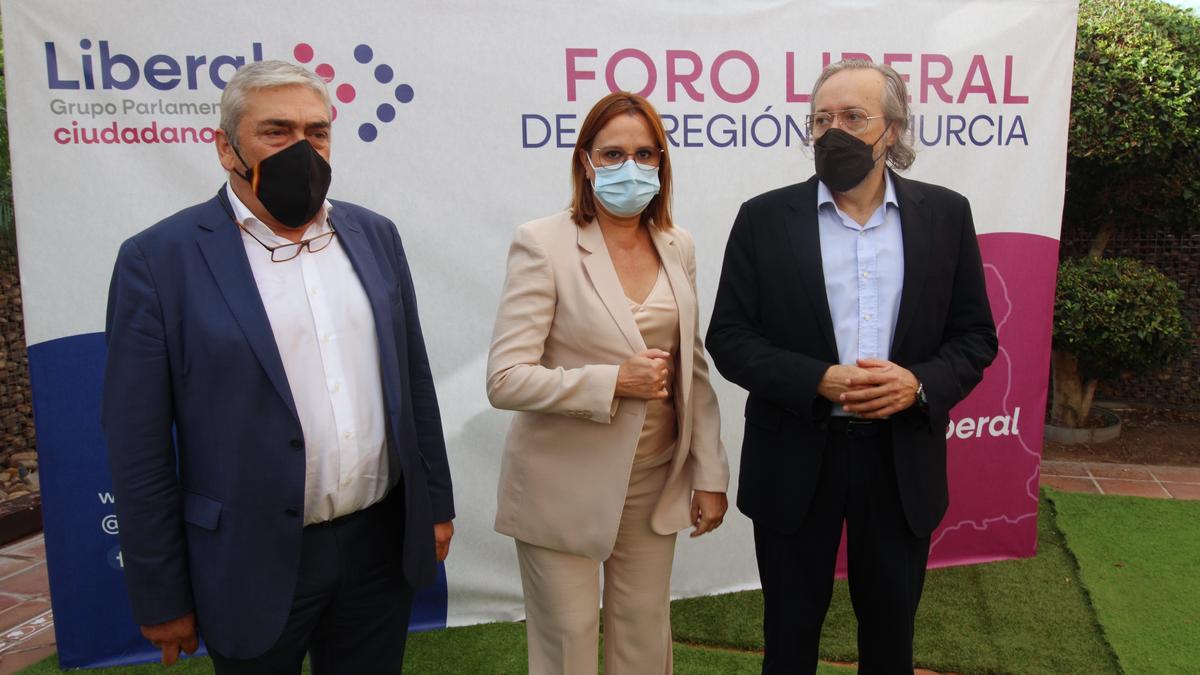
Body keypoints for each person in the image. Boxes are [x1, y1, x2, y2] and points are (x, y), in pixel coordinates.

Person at [101, 60, 455, 674]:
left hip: (378, 544)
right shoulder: (159, 261)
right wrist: (161, 593)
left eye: (316, 132)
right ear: (224, 146)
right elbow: (139, 448)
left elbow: (413, 380)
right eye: (276, 131)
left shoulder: (374, 235)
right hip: (251, 559)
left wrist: (436, 506)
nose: (303, 148)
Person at [706, 60, 998, 673]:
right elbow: (729, 338)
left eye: (852, 116)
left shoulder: (945, 216)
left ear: (891, 130)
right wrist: (817, 379)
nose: (832, 130)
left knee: (891, 637)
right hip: (794, 458)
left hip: (899, 463)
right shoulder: (764, 218)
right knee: (788, 635)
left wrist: (917, 384)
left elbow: (974, 337)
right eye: (820, 118)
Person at [486, 91, 729, 675]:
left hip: (653, 482)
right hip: (561, 484)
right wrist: (612, 382)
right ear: (586, 161)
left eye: (646, 154)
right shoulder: (542, 243)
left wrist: (710, 472)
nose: (631, 167)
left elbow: (691, 366)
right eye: (614, 153)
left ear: (662, 163)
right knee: (568, 644)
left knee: (644, 639)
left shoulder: (679, 245)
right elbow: (505, 379)